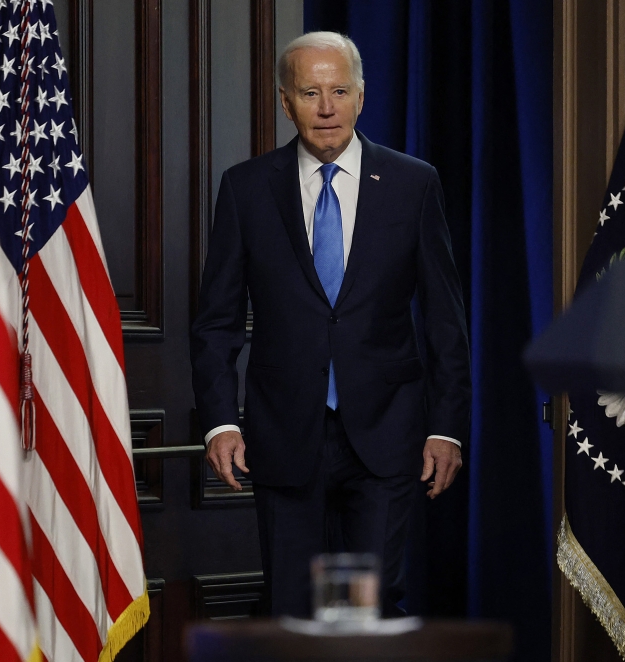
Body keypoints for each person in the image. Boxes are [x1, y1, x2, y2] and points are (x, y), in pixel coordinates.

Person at [190, 31, 471, 618]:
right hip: (285, 435)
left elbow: (446, 320)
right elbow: (216, 321)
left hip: (388, 437)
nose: (326, 108)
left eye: (339, 91)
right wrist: (219, 422)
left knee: (373, 608)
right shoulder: (245, 189)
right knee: (292, 612)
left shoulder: (413, 184)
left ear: (361, 98)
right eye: (310, 92)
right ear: (285, 100)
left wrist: (447, 428)